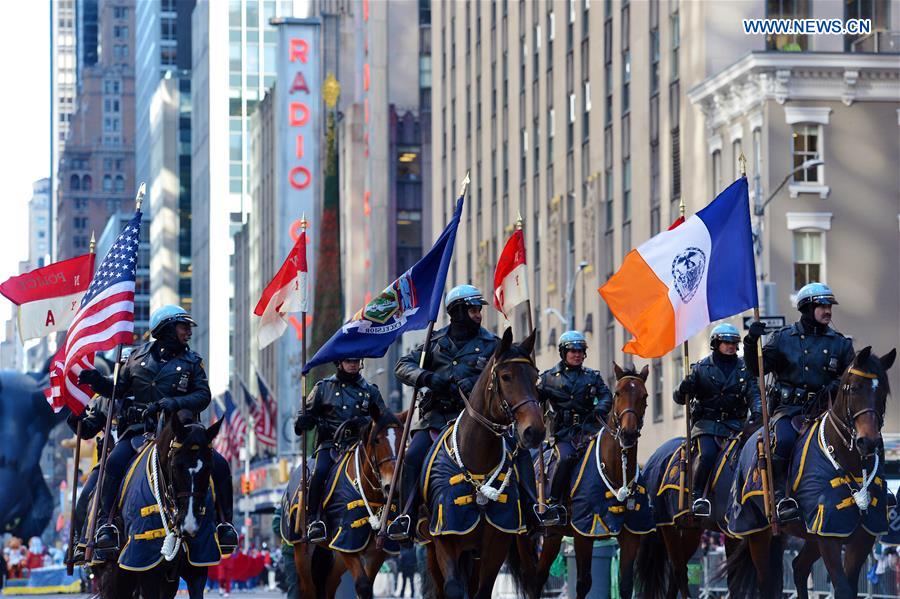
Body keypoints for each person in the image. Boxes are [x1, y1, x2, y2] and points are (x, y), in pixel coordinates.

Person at [387, 284, 550, 541]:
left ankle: (532, 511)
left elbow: (505, 377)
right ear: (458, 311)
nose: (478, 314)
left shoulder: (492, 344)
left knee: (519, 453)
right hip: (437, 419)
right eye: (473, 309)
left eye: (478, 310)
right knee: (413, 457)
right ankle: (406, 518)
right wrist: (428, 377)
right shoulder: (435, 342)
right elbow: (402, 366)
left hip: (482, 422)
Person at [73, 305, 238, 555]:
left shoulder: (193, 362)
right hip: (141, 431)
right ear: (167, 329)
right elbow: (118, 389)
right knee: (113, 465)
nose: (188, 332)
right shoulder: (137, 358)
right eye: (183, 327)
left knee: (220, 464)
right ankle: (107, 526)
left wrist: (174, 403)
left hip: (180, 432)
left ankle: (225, 524)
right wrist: (96, 381)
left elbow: (203, 395)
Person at [744, 282, 854, 522]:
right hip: (790, 410)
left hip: (827, 412)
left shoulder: (841, 343)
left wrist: (836, 385)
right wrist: (751, 342)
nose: (828, 311)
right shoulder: (783, 338)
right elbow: (756, 369)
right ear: (806, 308)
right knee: (783, 441)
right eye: (822, 306)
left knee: (862, 439)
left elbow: (849, 379)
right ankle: (783, 498)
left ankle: (868, 490)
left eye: (829, 306)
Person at [294, 357, 386, 543]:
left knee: (387, 470)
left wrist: (366, 423)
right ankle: (314, 520)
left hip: (361, 446)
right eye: (348, 361)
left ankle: (390, 517)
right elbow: (303, 419)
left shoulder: (370, 391)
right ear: (339, 362)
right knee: (319, 473)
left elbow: (383, 421)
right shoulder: (323, 388)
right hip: (331, 445)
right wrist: (304, 421)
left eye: (355, 361)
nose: (352, 364)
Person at [674, 323, 761, 517]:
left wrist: (757, 411)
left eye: (734, 342)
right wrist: (683, 388)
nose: (731, 346)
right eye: (726, 342)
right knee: (707, 455)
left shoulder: (745, 368)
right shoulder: (700, 368)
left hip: (736, 425)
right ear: (716, 343)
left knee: (756, 453)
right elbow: (679, 399)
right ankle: (698, 496)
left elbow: (754, 393)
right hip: (707, 425)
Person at [538, 330, 613, 525]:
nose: (577, 354)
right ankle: (554, 503)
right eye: (572, 350)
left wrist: (601, 407)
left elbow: (606, 395)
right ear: (563, 352)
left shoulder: (592, 376)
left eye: (581, 351)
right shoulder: (548, 379)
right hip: (564, 434)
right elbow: (534, 399)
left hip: (590, 430)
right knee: (565, 458)